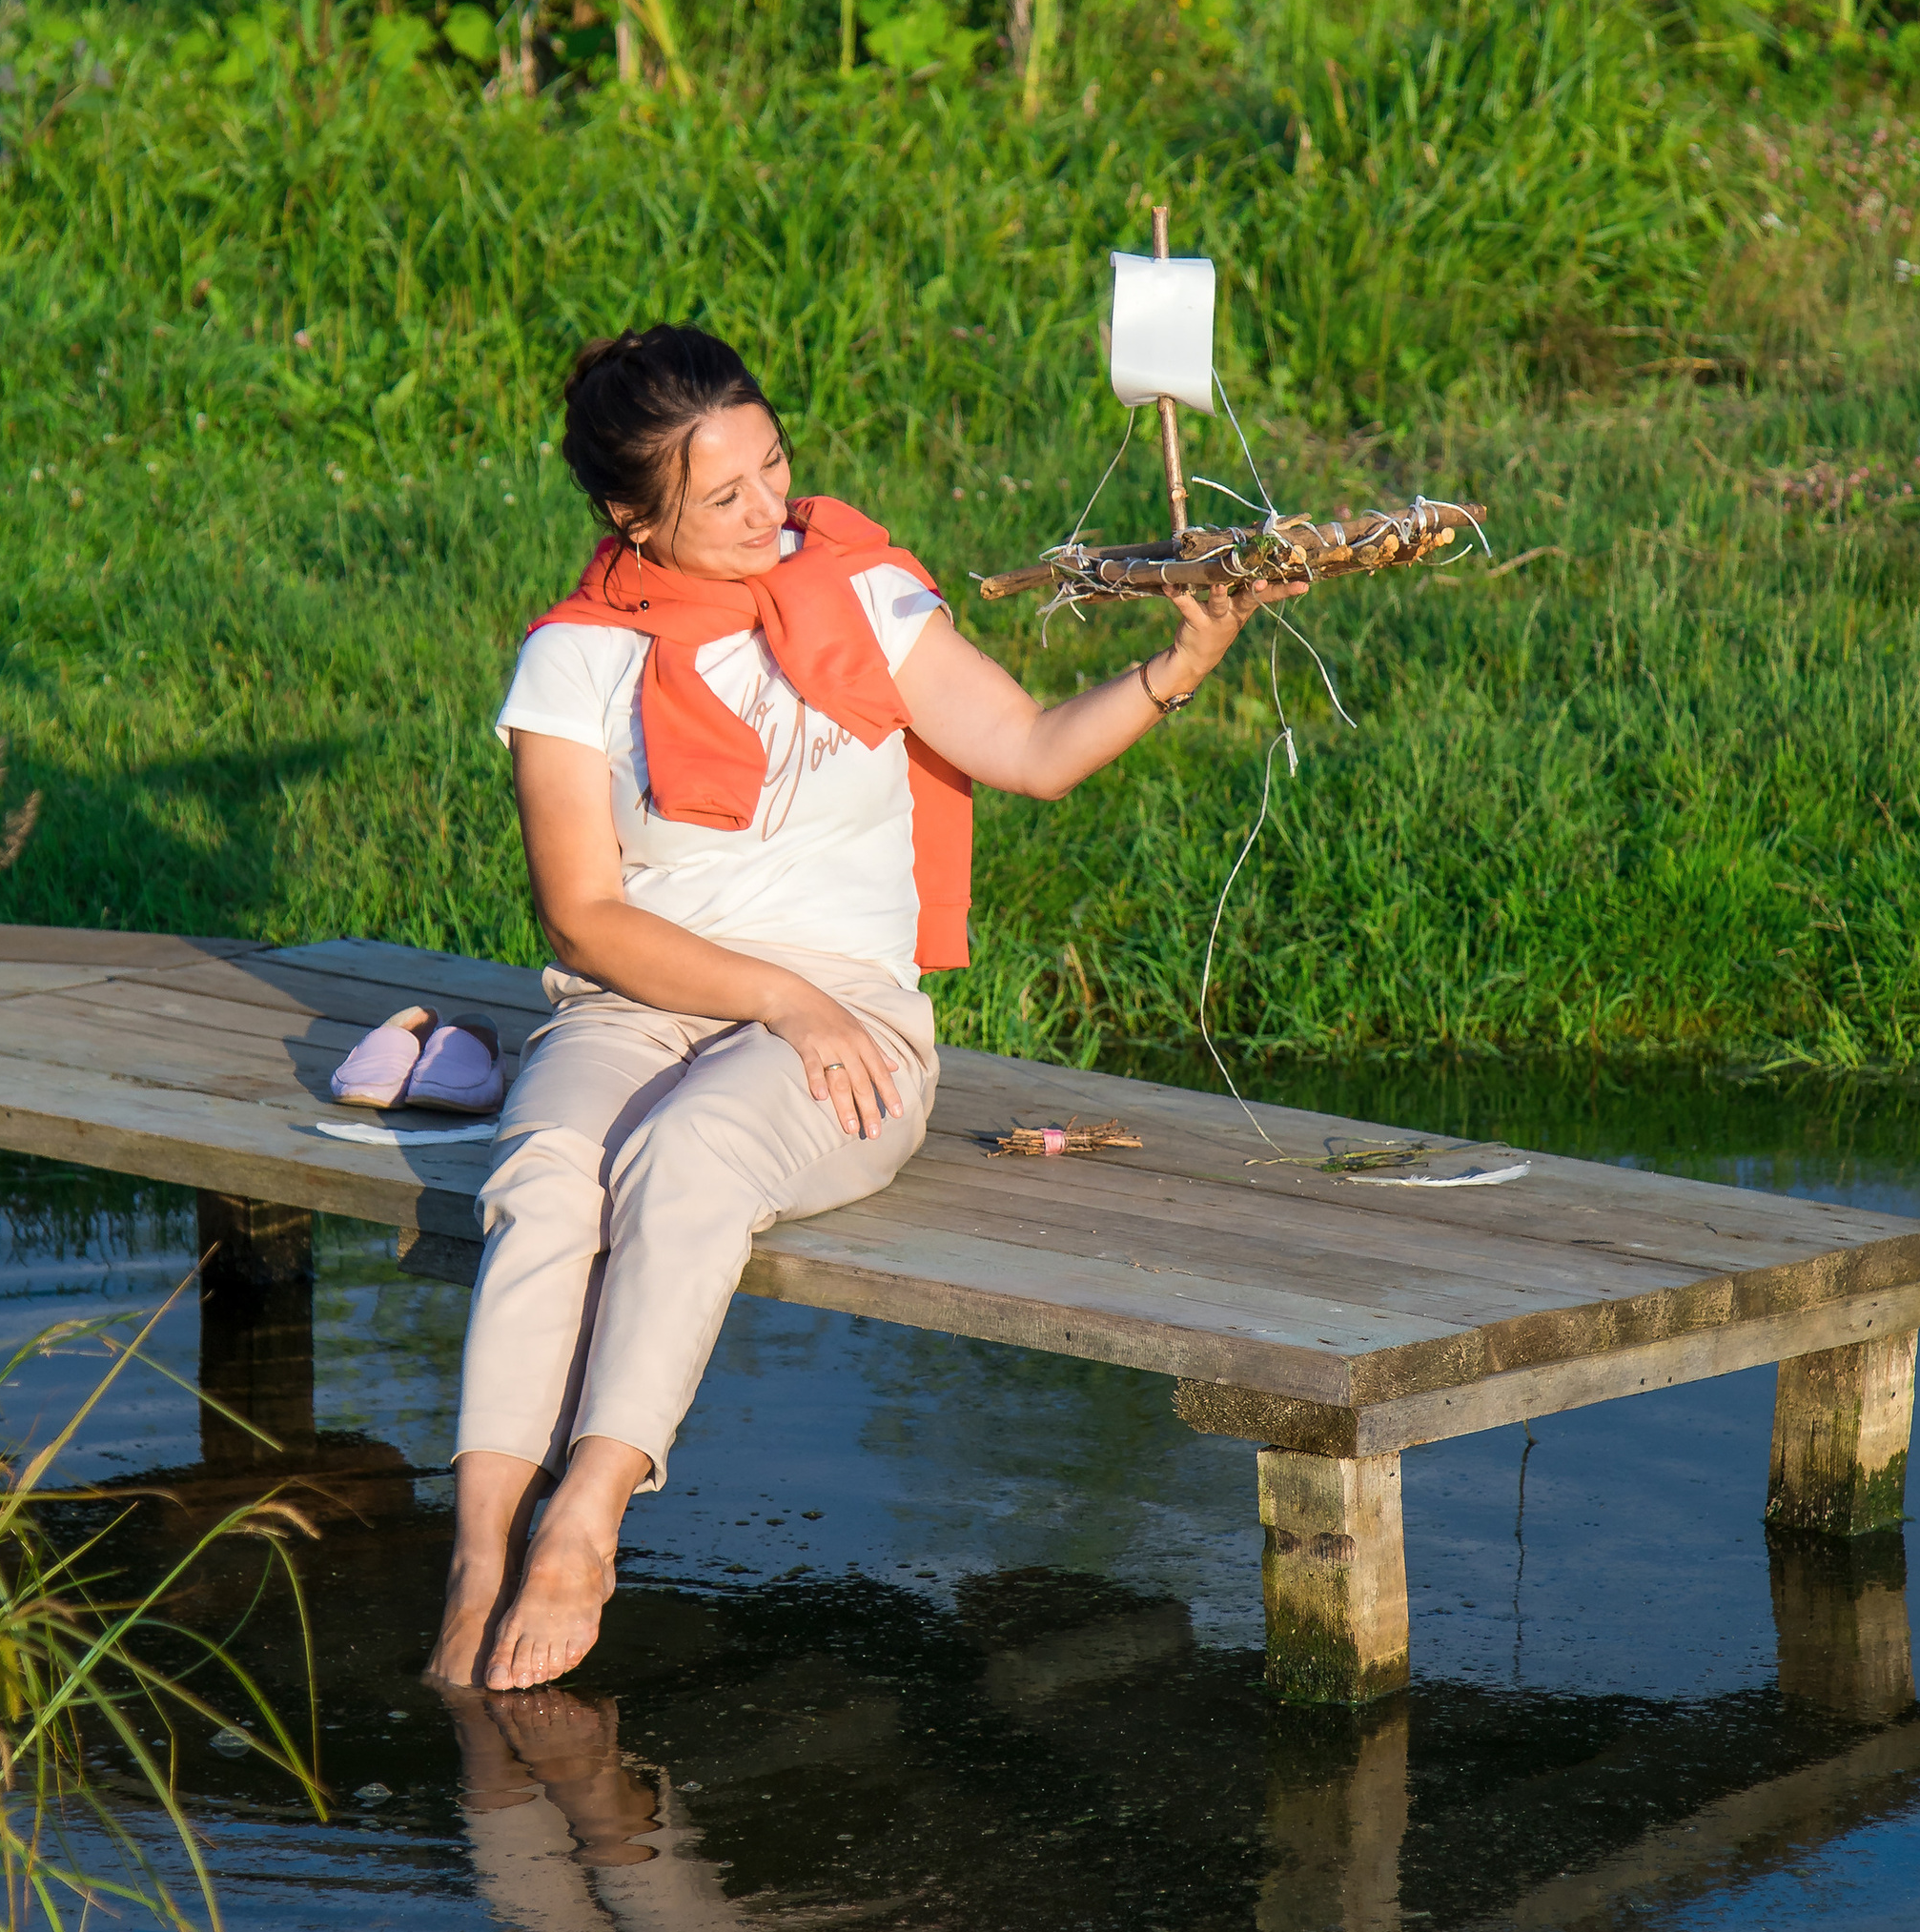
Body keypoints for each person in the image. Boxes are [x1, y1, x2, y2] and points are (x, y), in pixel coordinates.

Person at [428, 321, 1302, 1693]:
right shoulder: (577, 657)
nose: (770, 511)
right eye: (722, 499)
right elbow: (584, 919)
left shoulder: (867, 595)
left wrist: (1173, 670)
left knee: (690, 1153)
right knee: (546, 1172)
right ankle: (480, 1546)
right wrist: (769, 996)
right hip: (637, 1000)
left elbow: (1024, 751)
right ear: (627, 518)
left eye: (773, 466)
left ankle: (587, 1523)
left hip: (848, 1022)